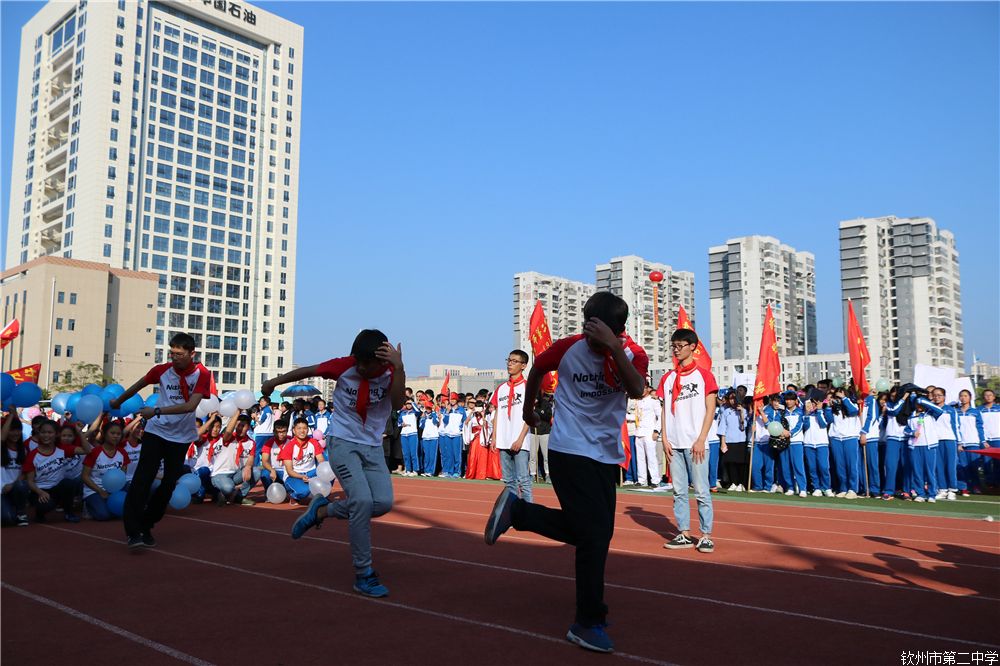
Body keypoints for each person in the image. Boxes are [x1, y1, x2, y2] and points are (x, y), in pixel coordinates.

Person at [484, 292, 647, 654]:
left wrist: (612, 348)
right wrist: (527, 409)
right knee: (593, 537)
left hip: (605, 456)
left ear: (617, 329)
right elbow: (538, 369)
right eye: (588, 327)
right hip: (569, 450)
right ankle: (587, 622)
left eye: (599, 330)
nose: (591, 336)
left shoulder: (632, 353)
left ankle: (519, 512)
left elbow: (637, 389)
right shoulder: (568, 347)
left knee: (597, 533)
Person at [262, 330, 404, 599]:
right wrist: (273, 383)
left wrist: (399, 369)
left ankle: (322, 511)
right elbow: (306, 371)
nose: (361, 368)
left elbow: (397, 403)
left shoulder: (391, 372)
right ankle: (364, 573)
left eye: (367, 364)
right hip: (343, 443)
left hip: (372, 448)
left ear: (382, 361)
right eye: (358, 362)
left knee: (382, 503)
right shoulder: (345, 366)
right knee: (361, 501)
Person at [110, 332, 212, 548]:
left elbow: (190, 406)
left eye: (179, 354)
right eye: (172, 353)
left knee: (169, 484)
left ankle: (147, 524)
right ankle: (133, 531)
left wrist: (156, 410)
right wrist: (118, 401)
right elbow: (138, 385)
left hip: (181, 436)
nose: (174, 358)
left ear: (192, 354)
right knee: (143, 479)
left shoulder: (202, 374)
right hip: (156, 431)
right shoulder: (162, 370)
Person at [660, 328, 719, 552]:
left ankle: (705, 535)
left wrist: (701, 438)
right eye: (673, 346)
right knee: (679, 492)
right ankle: (684, 533)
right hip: (674, 444)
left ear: (692, 347)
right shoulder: (668, 378)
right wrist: (665, 438)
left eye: (680, 346)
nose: (676, 350)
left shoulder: (704, 376)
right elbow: (665, 410)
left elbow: (710, 409)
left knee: (702, 491)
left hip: (696, 444)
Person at [22, 419, 90, 523]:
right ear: (39, 434)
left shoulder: (62, 449)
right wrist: (40, 492)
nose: (46, 435)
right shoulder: (32, 455)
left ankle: (69, 512)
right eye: (43, 432)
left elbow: (87, 450)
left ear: (56, 434)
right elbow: (30, 481)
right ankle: (39, 514)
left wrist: (80, 432)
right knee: (46, 505)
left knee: (69, 483)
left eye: (50, 432)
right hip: (40, 491)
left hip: (57, 488)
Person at [491, 350, 533, 502]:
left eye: (514, 361)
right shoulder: (501, 388)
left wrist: (520, 439)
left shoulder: (528, 387)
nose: (510, 364)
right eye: (509, 360)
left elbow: (530, 415)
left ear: (523, 365)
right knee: (509, 482)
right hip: (503, 440)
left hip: (520, 441)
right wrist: (494, 437)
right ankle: (513, 511)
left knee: (523, 481)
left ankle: (529, 512)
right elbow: (497, 413)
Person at [81, 420, 129, 521]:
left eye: (118, 434)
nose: (115, 436)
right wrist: (100, 491)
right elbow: (85, 476)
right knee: (103, 515)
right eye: (112, 433)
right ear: (104, 434)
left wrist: (115, 490)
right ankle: (87, 506)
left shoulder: (123, 452)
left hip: (115, 490)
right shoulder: (94, 452)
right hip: (94, 490)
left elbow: (122, 475)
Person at [905, 394, 944, 502]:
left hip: (929, 446)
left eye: (921, 404)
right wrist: (912, 433)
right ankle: (920, 494)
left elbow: (940, 411)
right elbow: (906, 430)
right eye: (917, 404)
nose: (919, 406)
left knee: (930, 471)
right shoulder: (911, 416)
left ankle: (931, 494)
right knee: (917, 471)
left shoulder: (931, 413)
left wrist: (922, 400)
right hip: (915, 447)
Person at [279, 418, 326, 502]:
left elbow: (321, 461)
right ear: (294, 430)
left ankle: (323, 496)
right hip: (294, 475)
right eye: (299, 428)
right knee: (304, 491)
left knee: (329, 472)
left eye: (304, 428)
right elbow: (289, 471)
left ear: (308, 430)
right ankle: (293, 495)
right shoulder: (289, 446)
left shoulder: (313, 442)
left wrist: (323, 473)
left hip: (311, 473)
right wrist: (301, 477)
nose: (302, 431)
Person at [828, 386, 861, 499]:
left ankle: (853, 489)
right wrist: (829, 407)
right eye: (837, 396)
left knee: (851, 465)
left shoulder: (852, 405)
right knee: (839, 465)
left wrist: (844, 399)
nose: (839, 398)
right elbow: (828, 420)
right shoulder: (834, 409)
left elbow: (854, 411)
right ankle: (843, 488)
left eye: (841, 396)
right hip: (836, 438)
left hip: (850, 438)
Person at [930, 387, 960, 501]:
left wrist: (959, 442)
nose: (937, 397)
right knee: (939, 466)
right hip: (935, 441)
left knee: (950, 465)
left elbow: (956, 426)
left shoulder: (951, 410)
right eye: (935, 395)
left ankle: (952, 489)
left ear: (944, 397)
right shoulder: (930, 410)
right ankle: (942, 489)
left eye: (939, 395)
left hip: (949, 440)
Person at [1, 413, 30, 526]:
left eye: (18, 430)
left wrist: (12, 485)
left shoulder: (24, 450)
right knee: (7, 518)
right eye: (12, 430)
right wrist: (12, 415)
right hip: (1, 491)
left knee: (22, 485)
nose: (16, 433)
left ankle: (21, 512)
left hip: (15, 488)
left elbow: (24, 473)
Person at [955, 389, 985, 496]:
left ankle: (976, 486)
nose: (963, 398)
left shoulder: (976, 412)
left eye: (965, 396)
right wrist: (958, 442)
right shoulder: (956, 412)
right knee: (962, 466)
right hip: (961, 444)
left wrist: (983, 441)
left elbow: (980, 427)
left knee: (974, 466)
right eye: (961, 396)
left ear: (970, 398)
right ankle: (964, 487)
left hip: (973, 442)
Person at [803, 397, 833, 497]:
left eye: (815, 403)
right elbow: (805, 426)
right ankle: (816, 488)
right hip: (808, 443)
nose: (813, 405)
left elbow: (823, 424)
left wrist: (820, 411)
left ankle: (827, 487)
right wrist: (807, 414)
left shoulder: (824, 412)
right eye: (811, 403)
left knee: (824, 467)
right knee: (812, 467)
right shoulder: (805, 414)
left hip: (822, 443)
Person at [779, 391, 807, 497]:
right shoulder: (782, 412)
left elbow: (800, 426)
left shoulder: (800, 412)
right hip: (784, 442)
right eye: (787, 400)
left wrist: (790, 433)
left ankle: (802, 488)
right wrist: (781, 433)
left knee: (798, 465)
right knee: (785, 466)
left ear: (795, 401)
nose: (788, 402)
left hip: (796, 442)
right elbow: (777, 424)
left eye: (791, 400)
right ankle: (790, 487)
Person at [633, 384, 661, 488]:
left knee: (651, 457)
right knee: (640, 457)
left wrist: (656, 430)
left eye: (643, 388)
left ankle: (655, 480)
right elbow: (636, 416)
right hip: (639, 431)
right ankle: (642, 480)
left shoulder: (653, 401)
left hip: (649, 432)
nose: (641, 390)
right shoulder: (637, 401)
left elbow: (660, 416)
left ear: (648, 389)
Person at [719, 390, 747, 491]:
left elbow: (743, 426)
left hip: (740, 440)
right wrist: (723, 442)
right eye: (730, 399)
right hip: (729, 440)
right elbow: (723, 428)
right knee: (730, 463)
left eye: (734, 398)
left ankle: (741, 483)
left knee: (740, 463)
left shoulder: (743, 410)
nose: (732, 401)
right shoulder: (726, 412)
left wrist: (741, 413)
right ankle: (733, 482)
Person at [440, 393, 466, 478]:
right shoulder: (447, 409)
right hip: (448, 434)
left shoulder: (461, 410)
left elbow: (464, 421)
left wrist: (460, 428)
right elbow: (445, 421)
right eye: (451, 399)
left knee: (457, 454)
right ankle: (449, 471)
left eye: (454, 399)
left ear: (457, 400)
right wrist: (447, 412)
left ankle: (457, 472)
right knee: (449, 454)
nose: (452, 401)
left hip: (457, 435)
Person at [530, 391, 554, 482]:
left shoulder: (546, 404)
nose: (534, 400)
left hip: (545, 432)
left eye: (536, 398)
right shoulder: (530, 405)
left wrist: (538, 411)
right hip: (533, 432)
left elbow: (548, 417)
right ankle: (532, 474)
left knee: (546, 455)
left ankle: (548, 474)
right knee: (533, 455)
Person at [260, 419, 290, 491]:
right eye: (278, 432)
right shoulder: (269, 443)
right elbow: (264, 461)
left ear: (287, 431)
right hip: (274, 470)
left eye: (284, 431)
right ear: (274, 432)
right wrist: (272, 470)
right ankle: (269, 492)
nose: (281, 434)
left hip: (288, 471)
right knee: (265, 474)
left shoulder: (291, 441)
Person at [397, 399, 421, 476]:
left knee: (413, 453)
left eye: (410, 403)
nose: (408, 405)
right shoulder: (402, 413)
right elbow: (398, 423)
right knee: (406, 454)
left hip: (412, 434)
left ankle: (415, 470)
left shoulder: (414, 412)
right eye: (407, 403)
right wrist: (401, 424)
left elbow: (418, 411)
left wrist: (413, 402)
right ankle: (408, 469)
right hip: (404, 434)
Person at [418, 406, 440, 477]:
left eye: (429, 408)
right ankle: (426, 471)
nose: (428, 410)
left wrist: (433, 413)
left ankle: (431, 471)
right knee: (426, 455)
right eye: (427, 408)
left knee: (432, 456)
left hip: (434, 437)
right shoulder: (424, 416)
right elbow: (421, 426)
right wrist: (423, 418)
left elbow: (436, 422)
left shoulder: (435, 414)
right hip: (425, 437)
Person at [254, 397, 275, 466]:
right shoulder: (271, 410)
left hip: (262, 433)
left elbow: (260, 421)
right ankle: (268, 464)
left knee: (257, 450)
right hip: (270, 433)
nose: (261, 403)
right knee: (267, 450)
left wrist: (255, 417)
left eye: (263, 401)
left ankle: (256, 465)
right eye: (260, 401)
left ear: (267, 402)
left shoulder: (265, 410)